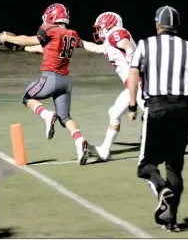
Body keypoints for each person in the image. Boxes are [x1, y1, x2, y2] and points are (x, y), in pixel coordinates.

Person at [9, 12, 145, 162]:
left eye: (101, 27)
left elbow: (124, 41)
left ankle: (167, 146)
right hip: (131, 86)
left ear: (109, 25)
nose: (99, 31)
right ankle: (104, 150)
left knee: (154, 117)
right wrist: (79, 42)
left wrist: (132, 57)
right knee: (114, 113)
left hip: (140, 84)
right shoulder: (108, 42)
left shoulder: (116, 33)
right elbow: (95, 48)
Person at [127, 5, 188, 231]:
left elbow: (134, 72)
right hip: (183, 108)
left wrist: (132, 104)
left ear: (157, 24)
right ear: (176, 26)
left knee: (146, 165)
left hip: (157, 107)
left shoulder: (145, 45)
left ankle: (161, 189)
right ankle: (170, 219)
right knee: (175, 167)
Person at [0, 3, 90, 165]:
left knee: (27, 98)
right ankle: (80, 141)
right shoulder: (71, 34)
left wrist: (8, 38)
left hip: (51, 78)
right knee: (65, 117)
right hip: (66, 81)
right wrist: (22, 49)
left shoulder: (49, 29)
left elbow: (30, 39)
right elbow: (43, 49)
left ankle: (47, 115)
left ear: (53, 16)